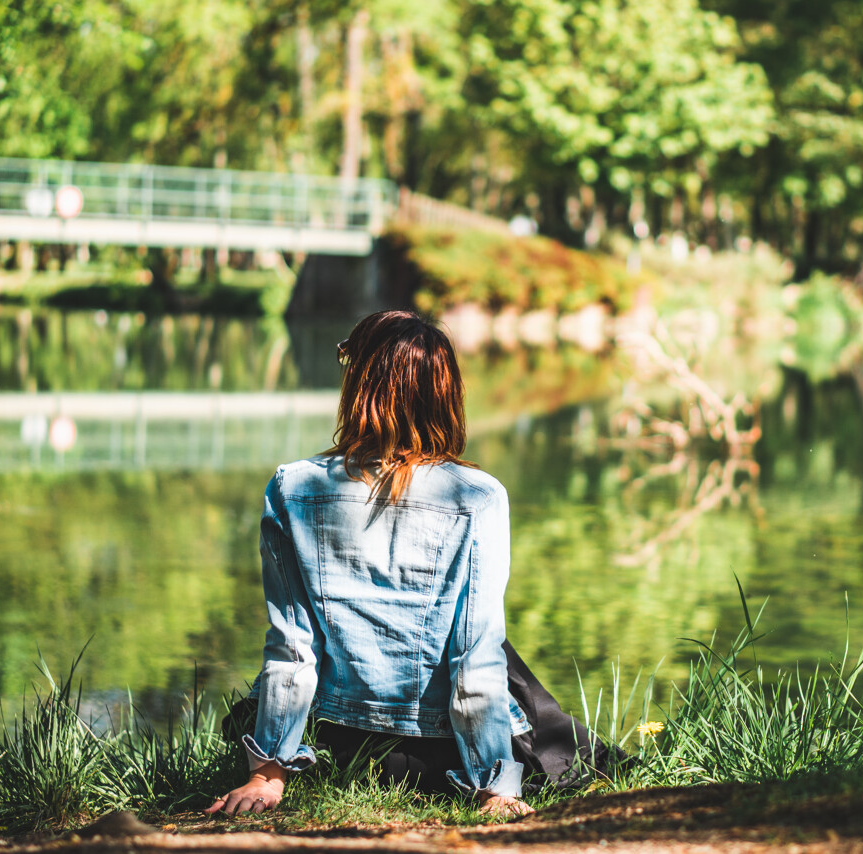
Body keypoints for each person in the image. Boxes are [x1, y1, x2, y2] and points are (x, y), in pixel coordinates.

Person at [206, 310, 615, 819]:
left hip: (340, 746)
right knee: (505, 662)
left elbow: (293, 645)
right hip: (441, 758)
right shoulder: (478, 497)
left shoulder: (293, 487)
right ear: (445, 396)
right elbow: (475, 657)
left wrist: (267, 774)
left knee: (247, 706)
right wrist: (496, 788)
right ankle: (593, 761)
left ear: (359, 386)